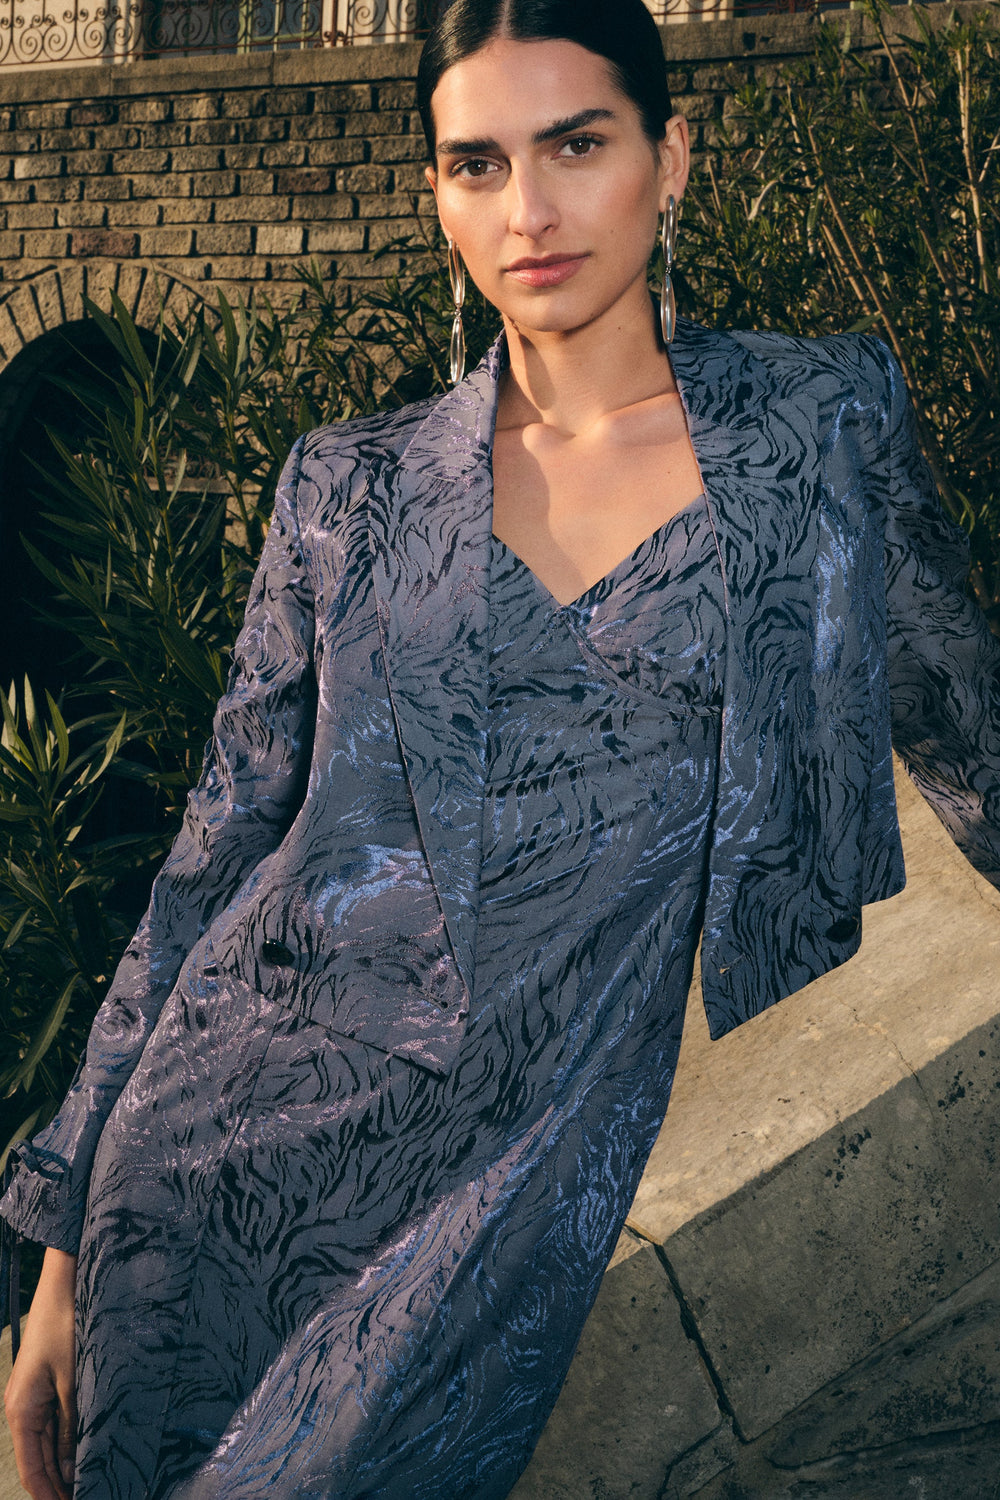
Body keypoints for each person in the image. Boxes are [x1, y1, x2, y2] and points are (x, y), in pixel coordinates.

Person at [4, 0, 1000, 1495]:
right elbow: (218, 847)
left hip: (520, 1157)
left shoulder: (814, 427)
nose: (527, 210)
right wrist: (64, 1246)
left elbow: (969, 724)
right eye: (478, 163)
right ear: (437, 198)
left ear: (671, 160)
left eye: (575, 146)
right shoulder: (346, 487)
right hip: (211, 1155)